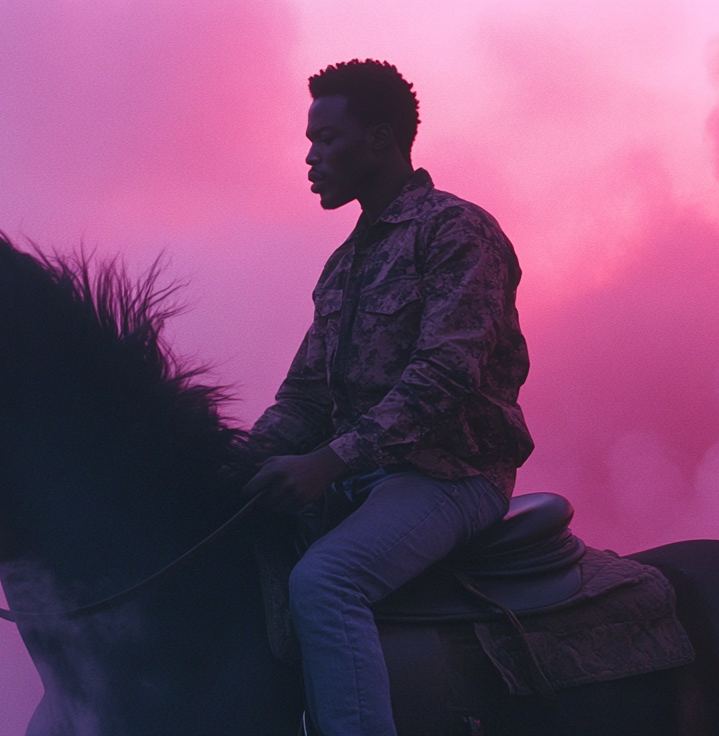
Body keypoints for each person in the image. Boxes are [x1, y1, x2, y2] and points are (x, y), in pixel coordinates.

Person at [240, 59, 533, 735]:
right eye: (310, 142)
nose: (310, 157)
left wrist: (328, 462)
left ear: (379, 139)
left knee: (326, 583)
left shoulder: (458, 231)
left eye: (327, 139)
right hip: (361, 479)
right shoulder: (343, 263)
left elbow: (445, 373)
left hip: (452, 476)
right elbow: (306, 397)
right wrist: (231, 462)